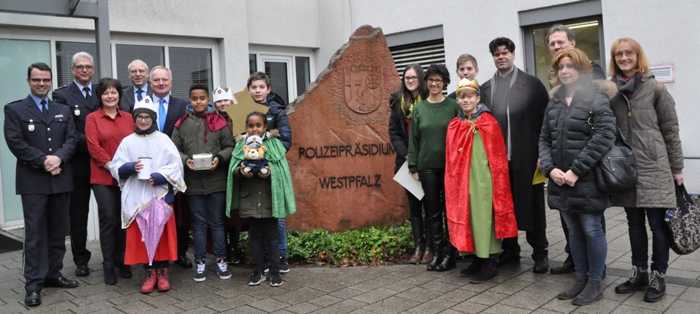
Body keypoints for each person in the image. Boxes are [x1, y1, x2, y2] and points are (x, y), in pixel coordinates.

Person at [608, 38, 684, 303]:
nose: (624, 57)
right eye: (619, 54)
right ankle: (639, 272)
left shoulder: (655, 89)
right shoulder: (611, 91)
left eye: (629, 53)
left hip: (654, 166)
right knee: (634, 224)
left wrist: (677, 168)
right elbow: (595, 120)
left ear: (638, 56)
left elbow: (671, 129)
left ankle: (658, 275)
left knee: (657, 225)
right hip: (625, 169)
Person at [539, 48, 616, 305]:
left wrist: (575, 170)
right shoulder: (555, 102)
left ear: (581, 69)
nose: (565, 71)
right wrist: (551, 169)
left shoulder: (593, 100)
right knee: (573, 231)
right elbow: (545, 139)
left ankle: (595, 282)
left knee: (592, 229)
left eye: (570, 66)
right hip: (560, 180)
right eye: (561, 67)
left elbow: (603, 135)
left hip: (587, 179)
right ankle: (581, 278)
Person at [4, 62, 80, 307]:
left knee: (59, 231)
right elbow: (15, 142)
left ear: (51, 81)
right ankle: (33, 283)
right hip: (33, 181)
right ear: (29, 81)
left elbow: (72, 139)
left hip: (60, 177)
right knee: (35, 233)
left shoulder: (62, 109)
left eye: (46, 80)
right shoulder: (15, 109)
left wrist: (59, 157)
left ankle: (53, 273)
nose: (42, 84)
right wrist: (44, 161)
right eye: (37, 80)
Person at [480, 37, 550, 273]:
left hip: (527, 158)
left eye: (505, 53)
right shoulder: (486, 89)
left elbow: (545, 122)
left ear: (513, 54)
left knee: (533, 206)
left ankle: (540, 252)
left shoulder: (532, 85)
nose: (501, 57)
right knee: (503, 206)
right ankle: (510, 251)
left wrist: (543, 153)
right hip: (498, 162)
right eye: (497, 54)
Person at [109, 96, 186, 294]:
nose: (143, 120)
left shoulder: (163, 140)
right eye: (139, 117)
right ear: (134, 119)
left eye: (147, 117)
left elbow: (176, 165)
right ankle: (149, 272)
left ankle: (163, 272)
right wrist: (128, 167)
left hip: (159, 196)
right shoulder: (127, 141)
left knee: (160, 236)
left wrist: (162, 176)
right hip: (137, 197)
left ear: (153, 119)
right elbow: (115, 165)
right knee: (143, 237)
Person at [445, 78, 518, 283]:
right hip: (463, 180)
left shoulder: (488, 122)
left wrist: (495, 181)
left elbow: (498, 157)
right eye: (461, 96)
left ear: (477, 98)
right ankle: (477, 258)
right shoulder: (456, 124)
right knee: (469, 216)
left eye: (470, 96)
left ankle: (490, 262)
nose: (466, 100)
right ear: (457, 100)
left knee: (484, 218)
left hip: (484, 180)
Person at [171, 85, 234, 282]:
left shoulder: (220, 121)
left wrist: (220, 159)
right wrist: (185, 160)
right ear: (190, 100)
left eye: (202, 98)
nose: (198, 101)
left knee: (217, 223)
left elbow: (230, 146)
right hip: (193, 183)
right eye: (195, 98)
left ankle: (221, 260)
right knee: (198, 225)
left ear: (208, 100)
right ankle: (200, 262)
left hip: (217, 182)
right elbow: (173, 149)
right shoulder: (181, 123)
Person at [226, 111, 296, 287]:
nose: (254, 129)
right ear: (246, 127)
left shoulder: (274, 144)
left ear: (265, 127)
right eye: (250, 126)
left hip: (270, 200)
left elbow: (281, 169)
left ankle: (274, 271)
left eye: (258, 125)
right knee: (255, 237)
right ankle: (258, 270)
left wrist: (269, 171)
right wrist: (241, 171)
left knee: (272, 237)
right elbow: (233, 168)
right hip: (249, 200)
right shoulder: (241, 145)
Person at [407, 64, 461, 272]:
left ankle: (451, 253)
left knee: (450, 211)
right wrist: (413, 165)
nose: (435, 84)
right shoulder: (419, 108)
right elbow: (414, 139)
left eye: (439, 80)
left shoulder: (453, 106)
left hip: (450, 168)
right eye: (431, 80)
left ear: (445, 83)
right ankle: (437, 252)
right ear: (426, 82)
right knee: (432, 213)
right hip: (427, 167)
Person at [52, 51, 99, 277]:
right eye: (80, 67)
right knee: (78, 215)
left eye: (88, 67)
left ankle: (117, 258)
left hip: (101, 165)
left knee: (111, 212)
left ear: (93, 69)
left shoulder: (101, 92)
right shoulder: (61, 96)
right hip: (77, 165)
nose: (84, 70)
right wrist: (94, 143)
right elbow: (66, 131)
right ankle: (81, 260)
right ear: (72, 69)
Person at [85, 78, 134, 285]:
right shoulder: (93, 118)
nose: (110, 96)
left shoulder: (129, 117)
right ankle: (108, 265)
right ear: (100, 96)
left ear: (119, 95)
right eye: (106, 93)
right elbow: (93, 146)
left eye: (114, 92)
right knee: (109, 219)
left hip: (127, 177)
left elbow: (135, 143)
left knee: (125, 220)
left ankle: (123, 261)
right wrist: (111, 166)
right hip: (103, 176)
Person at [247, 72, 292, 272]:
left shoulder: (278, 111)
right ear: (249, 90)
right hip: (251, 173)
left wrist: (267, 151)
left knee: (278, 216)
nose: (257, 90)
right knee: (256, 217)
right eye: (254, 87)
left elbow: (286, 140)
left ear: (268, 89)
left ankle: (280, 257)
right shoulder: (243, 112)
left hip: (273, 168)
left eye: (261, 87)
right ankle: (262, 258)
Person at [148, 65, 191, 268]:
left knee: (180, 212)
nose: (161, 83)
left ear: (171, 82)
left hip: (176, 167)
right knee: (151, 213)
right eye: (156, 80)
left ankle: (180, 253)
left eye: (164, 79)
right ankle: (152, 256)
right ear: (150, 83)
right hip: (151, 170)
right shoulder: (144, 105)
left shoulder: (182, 105)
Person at [388, 63, 429, 264]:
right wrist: (408, 156)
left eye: (413, 77)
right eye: (407, 78)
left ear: (420, 79)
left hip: (428, 161)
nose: (410, 80)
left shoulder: (429, 99)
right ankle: (418, 247)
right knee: (414, 208)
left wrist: (422, 157)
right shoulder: (398, 102)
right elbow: (394, 133)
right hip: (407, 163)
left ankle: (431, 246)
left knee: (430, 207)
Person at [212, 87, 245, 265]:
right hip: (219, 170)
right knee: (220, 212)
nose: (223, 104)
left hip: (238, 171)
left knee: (236, 212)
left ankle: (235, 246)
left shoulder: (241, 119)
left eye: (226, 100)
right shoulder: (211, 120)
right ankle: (221, 248)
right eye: (219, 101)